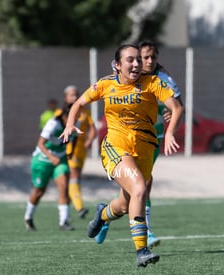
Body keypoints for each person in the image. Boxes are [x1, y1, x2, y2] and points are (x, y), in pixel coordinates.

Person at [59, 44, 183, 267]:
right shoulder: (106, 84)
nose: (136, 64)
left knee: (125, 205)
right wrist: (69, 125)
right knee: (140, 189)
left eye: (138, 60)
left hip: (144, 148)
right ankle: (141, 250)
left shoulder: (152, 83)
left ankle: (103, 214)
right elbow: (79, 103)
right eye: (130, 60)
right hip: (115, 147)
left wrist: (171, 132)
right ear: (117, 65)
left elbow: (176, 107)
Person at [95, 40, 183, 248]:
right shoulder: (126, 79)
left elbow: (178, 107)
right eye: (145, 57)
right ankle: (147, 234)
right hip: (125, 141)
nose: (149, 61)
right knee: (142, 185)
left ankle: (105, 215)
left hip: (153, 139)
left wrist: (170, 121)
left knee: (130, 196)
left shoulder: (163, 79)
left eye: (153, 57)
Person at [24, 104, 75, 232]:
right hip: (42, 160)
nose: (74, 118)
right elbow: (40, 143)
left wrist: (70, 153)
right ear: (64, 116)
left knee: (63, 187)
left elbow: (75, 139)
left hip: (60, 160)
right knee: (39, 191)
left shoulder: (76, 124)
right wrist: (51, 157)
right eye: (71, 116)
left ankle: (64, 221)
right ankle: (28, 217)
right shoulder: (53, 124)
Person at [61, 85, 97, 219]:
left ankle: (66, 214)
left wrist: (89, 140)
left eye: (76, 94)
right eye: (71, 95)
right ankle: (79, 207)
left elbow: (93, 129)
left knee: (74, 178)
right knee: (73, 176)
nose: (74, 97)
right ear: (66, 97)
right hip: (70, 149)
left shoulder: (84, 112)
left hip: (81, 149)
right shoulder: (63, 113)